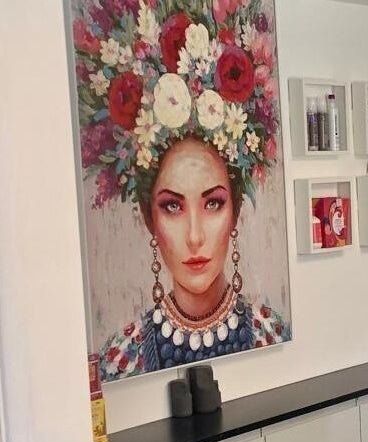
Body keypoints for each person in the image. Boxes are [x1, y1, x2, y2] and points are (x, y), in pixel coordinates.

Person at [73, 0, 288, 381]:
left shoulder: (270, 333)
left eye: (213, 203)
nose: (194, 236)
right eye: (172, 207)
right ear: (149, 219)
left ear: (235, 212)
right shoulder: (122, 360)